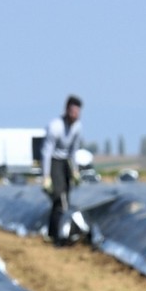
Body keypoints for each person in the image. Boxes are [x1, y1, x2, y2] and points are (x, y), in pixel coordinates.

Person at [41, 93, 84, 243]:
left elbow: (73, 150)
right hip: (53, 161)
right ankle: (56, 235)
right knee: (59, 198)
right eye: (72, 111)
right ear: (66, 110)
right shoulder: (55, 127)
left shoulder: (77, 127)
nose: (75, 115)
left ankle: (56, 232)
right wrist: (46, 176)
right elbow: (46, 152)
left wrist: (75, 170)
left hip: (66, 161)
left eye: (77, 112)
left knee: (66, 196)